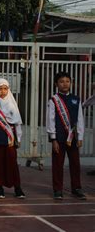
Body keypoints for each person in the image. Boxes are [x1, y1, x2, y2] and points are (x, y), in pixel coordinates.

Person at [47, 72, 86, 200]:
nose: (65, 84)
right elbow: (50, 120)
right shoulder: (53, 100)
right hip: (59, 138)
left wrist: (80, 136)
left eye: (67, 81)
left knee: (75, 164)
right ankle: (58, 190)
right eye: (61, 81)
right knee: (58, 164)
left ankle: (76, 188)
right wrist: (53, 139)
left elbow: (80, 118)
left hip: (73, 138)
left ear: (71, 83)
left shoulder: (76, 99)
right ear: (56, 84)